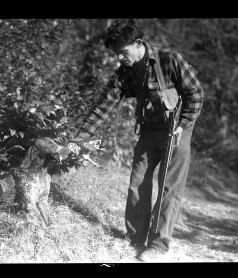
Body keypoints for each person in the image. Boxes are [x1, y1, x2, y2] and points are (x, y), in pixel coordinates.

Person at [72, 19, 203, 262]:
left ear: (138, 44)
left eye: (123, 52)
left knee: (168, 187)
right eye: (116, 54)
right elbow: (104, 106)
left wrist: (183, 126)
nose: (120, 59)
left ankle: (158, 245)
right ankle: (135, 239)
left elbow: (195, 93)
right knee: (138, 181)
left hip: (177, 129)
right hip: (149, 130)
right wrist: (79, 139)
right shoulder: (126, 71)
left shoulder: (169, 60)